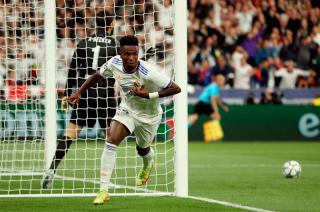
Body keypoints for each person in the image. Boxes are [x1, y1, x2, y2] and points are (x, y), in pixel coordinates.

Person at [67, 35, 181, 205]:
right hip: (127, 109)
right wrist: (78, 92)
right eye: (127, 54)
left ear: (138, 53)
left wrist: (149, 95)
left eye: (134, 54)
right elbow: (97, 75)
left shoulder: (148, 71)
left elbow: (176, 88)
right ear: (120, 53)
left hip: (149, 116)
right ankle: (103, 190)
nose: (131, 58)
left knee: (143, 149)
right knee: (111, 141)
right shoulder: (114, 63)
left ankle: (148, 163)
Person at [41, 10, 118, 189]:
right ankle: (105, 182)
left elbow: (72, 71)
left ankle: (51, 170)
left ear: (95, 24)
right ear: (111, 24)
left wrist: (68, 95)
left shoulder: (83, 43)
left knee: (70, 135)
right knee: (111, 138)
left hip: (84, 93)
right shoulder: (115, 45)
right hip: (105, 95)